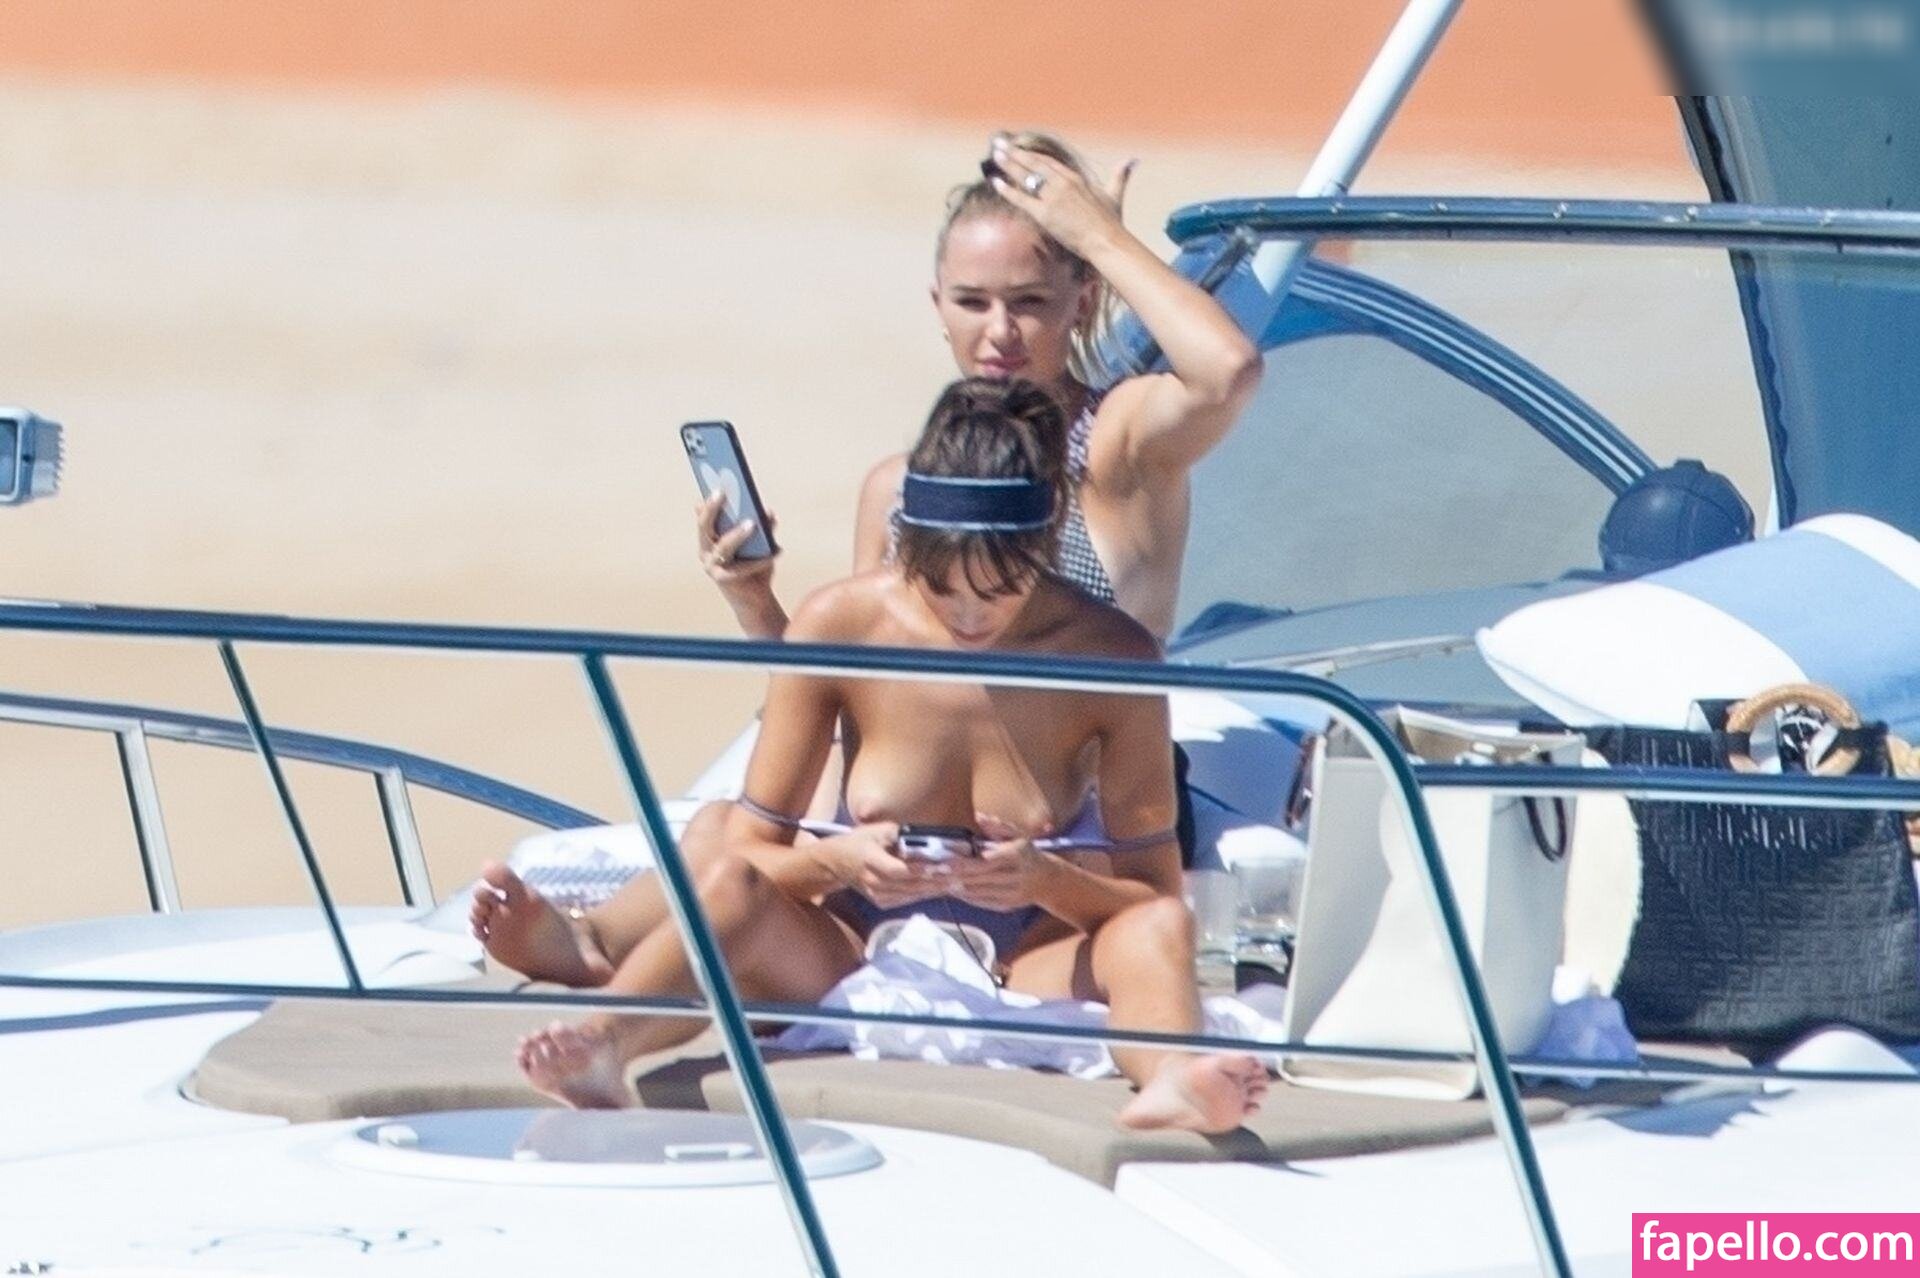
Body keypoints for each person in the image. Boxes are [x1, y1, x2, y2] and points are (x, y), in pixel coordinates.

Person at [475, 378, 1268, 1134]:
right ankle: (605, 1042)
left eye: (998, 590)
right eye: (940, 587)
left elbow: (1153, 890)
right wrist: (837, 863)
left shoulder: (1110, 657)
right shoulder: (840, 625)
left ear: (1046, 542)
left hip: (1033, 954)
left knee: (1158, 927)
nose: (967, 616)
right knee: (730, 878)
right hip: (854, 945)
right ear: (907, 544)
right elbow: (751, 852)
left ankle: (1172, 1077)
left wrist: (1044, 880)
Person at [696, 130, 1262, 644]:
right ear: (938, 306)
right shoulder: (896, 488)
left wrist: (1099, 238)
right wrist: (754, 601)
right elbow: (848, 695)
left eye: (1029, 301)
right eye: (971, 302)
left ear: (1083, 302)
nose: (999, 331)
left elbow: (1227, 369)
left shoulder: (1116, 445)